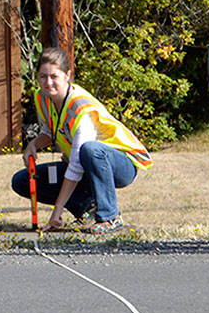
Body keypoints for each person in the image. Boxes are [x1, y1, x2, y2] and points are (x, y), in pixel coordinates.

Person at [11, 46, 152, 233]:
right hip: (87, 164)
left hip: (122, 163)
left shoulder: (80, 107)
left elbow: (77, 164)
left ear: (67, 75)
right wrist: (33, 145)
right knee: (22, 180)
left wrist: (57, 211)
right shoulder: (43, 98)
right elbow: (49, 132)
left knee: (90, 150)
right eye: (43, 76)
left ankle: (110, 216)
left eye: (54, 76)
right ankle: (87, 210)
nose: (48, 82)